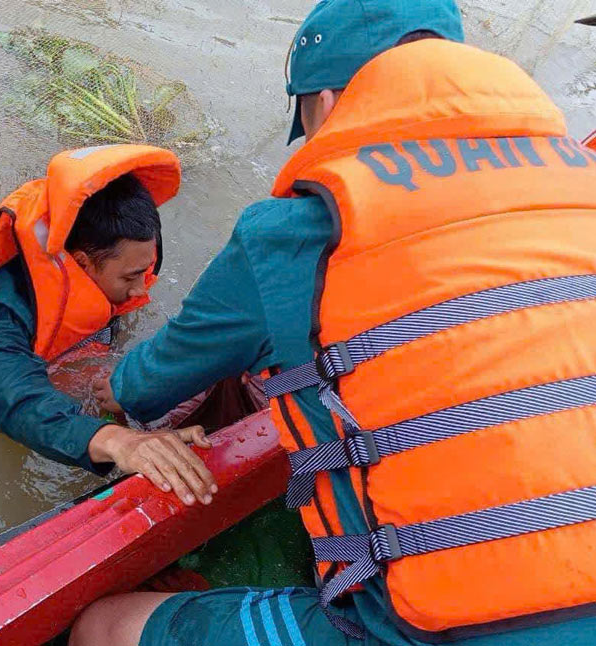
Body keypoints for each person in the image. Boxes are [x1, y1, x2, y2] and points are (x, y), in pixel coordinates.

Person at [78, 1, 596, 645]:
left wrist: (114, 388)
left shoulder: (296, 230)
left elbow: (150, 384)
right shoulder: (582, 183)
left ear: (324, 101)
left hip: (433, 628)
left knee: (103, 628)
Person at [0, 144, 260, 507]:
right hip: (38, 365)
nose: (141, 291)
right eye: (132, 277)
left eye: (146, 271)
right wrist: (119, 441)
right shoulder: (0, 315)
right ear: (83, 263)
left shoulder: (129, 245)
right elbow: (13, 398)